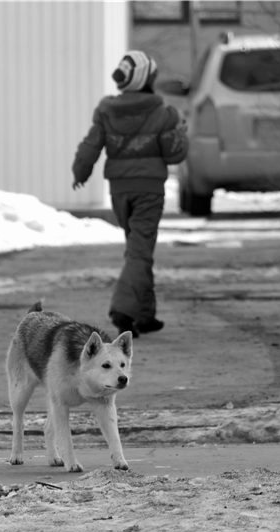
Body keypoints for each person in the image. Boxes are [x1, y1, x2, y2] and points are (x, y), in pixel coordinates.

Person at [72, 50, 188, 337]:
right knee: (140, 251)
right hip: (149, 190)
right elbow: (174, 155)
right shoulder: (163, 113)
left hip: (120, 191)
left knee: (138, 249)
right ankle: (123, 311)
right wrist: (180, 131)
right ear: (148, 80)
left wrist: (80, 172)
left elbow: (91, 146)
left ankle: (145, 315)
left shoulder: (107, 111)